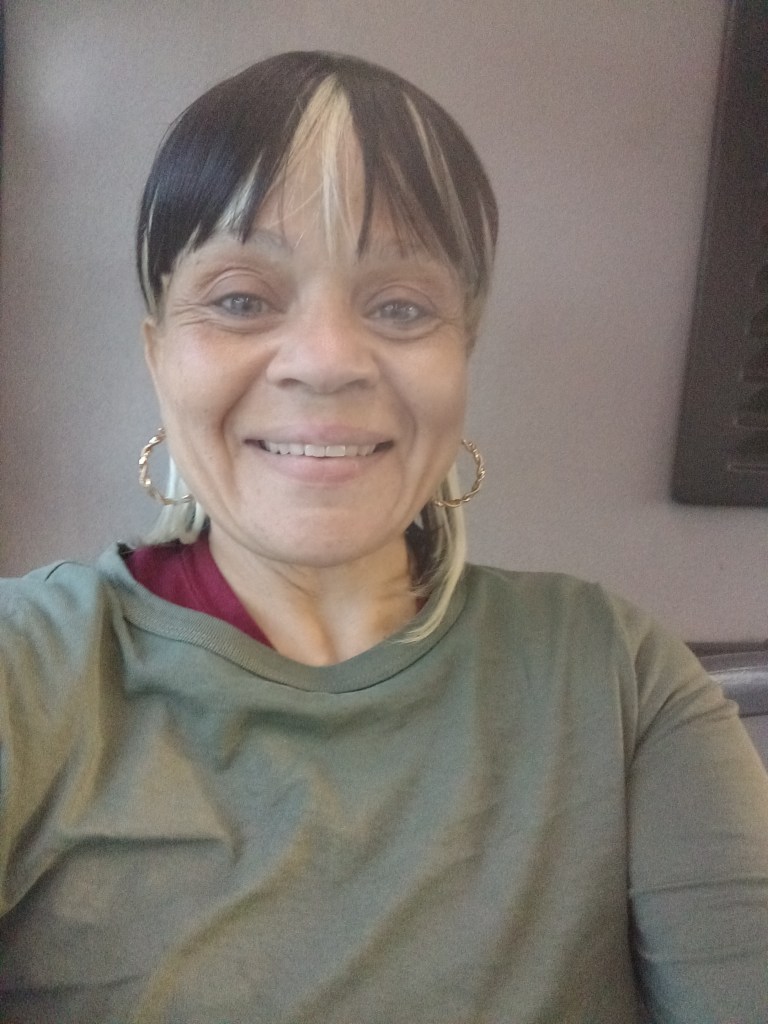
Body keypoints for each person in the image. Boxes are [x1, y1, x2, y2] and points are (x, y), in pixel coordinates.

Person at [0, 50, 766, 1024]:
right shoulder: (26, 667)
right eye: (240, 300)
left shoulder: (620, 676)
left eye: (401, 307)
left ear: (461, 358)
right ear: (159, 356)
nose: (326, 361)